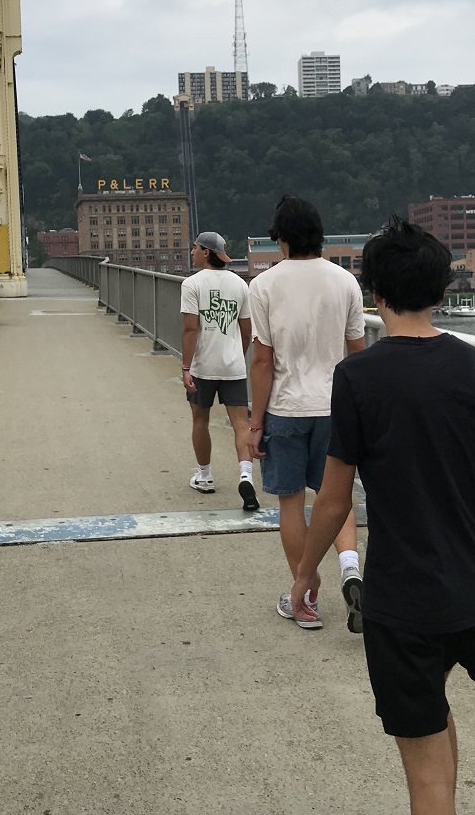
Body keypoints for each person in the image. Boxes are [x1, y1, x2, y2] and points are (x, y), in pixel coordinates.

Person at [291, 217, 475, 815]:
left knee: (422, 763)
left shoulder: (358, 378)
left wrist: (304, 572)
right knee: (433, 714)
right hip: (471, 587)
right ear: (441, 291)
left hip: (403, 599)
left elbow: (332, 499)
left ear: (375, 294)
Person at [248, 195, 366, 632]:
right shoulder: (345, 282)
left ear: (280, 239)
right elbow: (358, 353)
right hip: (335, 408)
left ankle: (305, 595)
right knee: (336, 497)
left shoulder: (263, 286)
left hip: (286, 409)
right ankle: (351, 567)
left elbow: (262, 362)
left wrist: (255, 423)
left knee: (291, 503)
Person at [180, 231, 259, 512]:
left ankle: (205, 476)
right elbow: (246, 329)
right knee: (240, 424)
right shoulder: (240, 285)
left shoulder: (192, 284)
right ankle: (246, 474)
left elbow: (190, 329)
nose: (191, 251)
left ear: (205, 252)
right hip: (233, 365)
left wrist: (186, 366)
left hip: (203, 365)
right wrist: (237, 352)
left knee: (200, 420)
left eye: (194, 248)